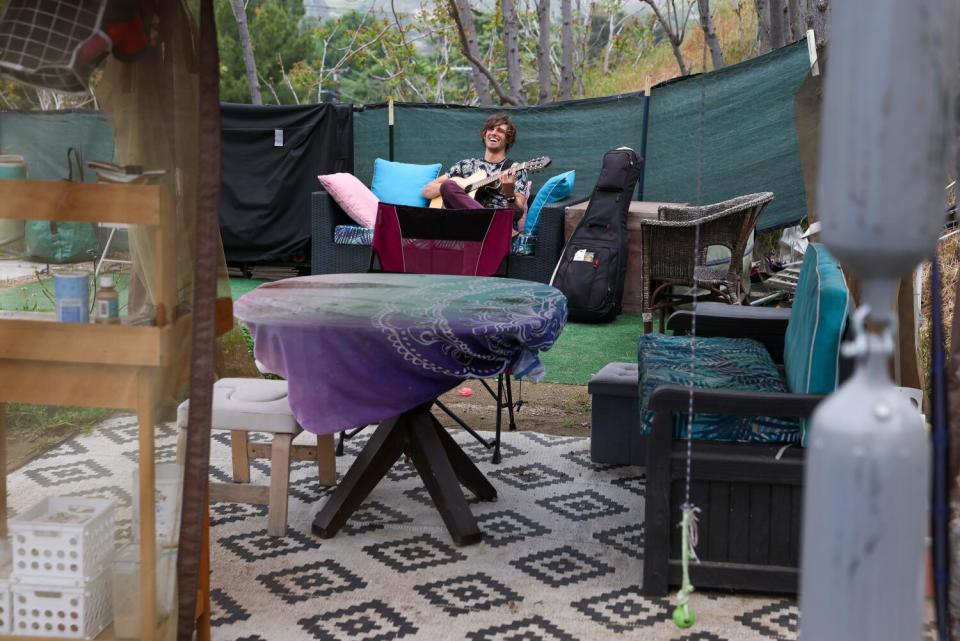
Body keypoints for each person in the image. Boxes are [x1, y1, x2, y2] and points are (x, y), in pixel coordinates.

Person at [422, 113, 529, 226]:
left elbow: (517, 214)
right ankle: (485, 220)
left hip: (499, 226)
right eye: (490, 129)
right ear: (484, 134)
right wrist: (459, 184)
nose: (493, 133)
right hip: (464, 224)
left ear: (508, 139)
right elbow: (427, 190)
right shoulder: (465, 165)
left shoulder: (515, 169)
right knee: (448, 185)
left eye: (500, 131)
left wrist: (509, 193)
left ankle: (489, 223)